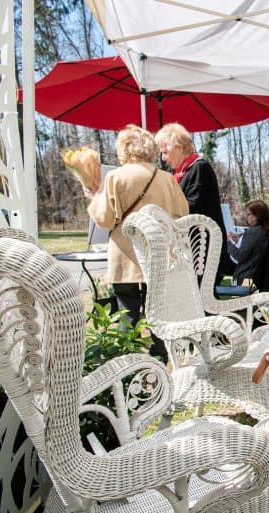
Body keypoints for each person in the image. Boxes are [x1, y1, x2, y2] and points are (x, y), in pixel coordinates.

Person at [86, 124, 189, 362]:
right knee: (158, 312)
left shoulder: (114, 177)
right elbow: (181, 214)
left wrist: (93, 197)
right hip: (160, 254)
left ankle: (128, 361)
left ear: (124, 148)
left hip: (126, 255)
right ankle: (162, 357)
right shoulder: (167, 179)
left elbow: (104, 219)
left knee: (127, 314)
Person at [154, 122, 235, 279]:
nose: (163, 158)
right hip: (191, 248)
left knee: (200, 298)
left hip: (203, 249)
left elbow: (191, 208)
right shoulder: (181, 173)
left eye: (165, 152)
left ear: (178, 146)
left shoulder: (199, 168)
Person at [227, 200, 269, 288]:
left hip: (247, 279)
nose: (247, 217)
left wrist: (229, 243)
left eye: (249, 214)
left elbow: (240, 256)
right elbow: (256, 249)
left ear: (257, 215)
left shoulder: (252, 232)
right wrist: (239, 240)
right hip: (263, 278)